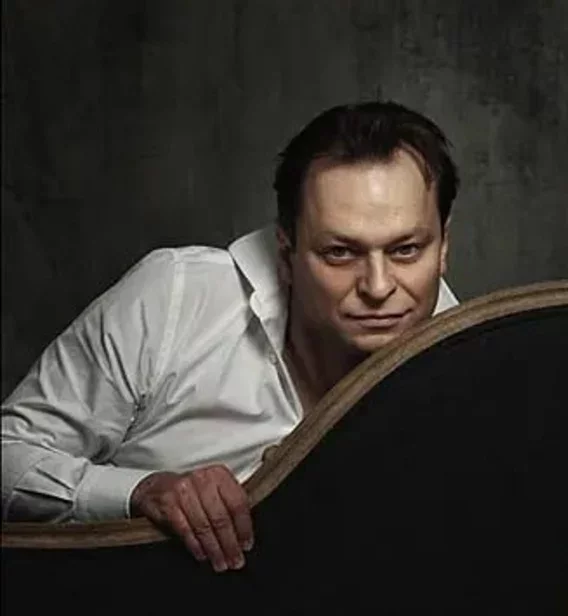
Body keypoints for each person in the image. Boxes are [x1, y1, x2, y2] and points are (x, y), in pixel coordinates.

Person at [1, 101, 460, 573]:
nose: (378, 287)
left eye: (407, 250)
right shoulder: (175, 299)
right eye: (340, 252)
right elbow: (7, 454)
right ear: (286, 253)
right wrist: (141, 492)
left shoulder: (473, 374)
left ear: (443, 246)